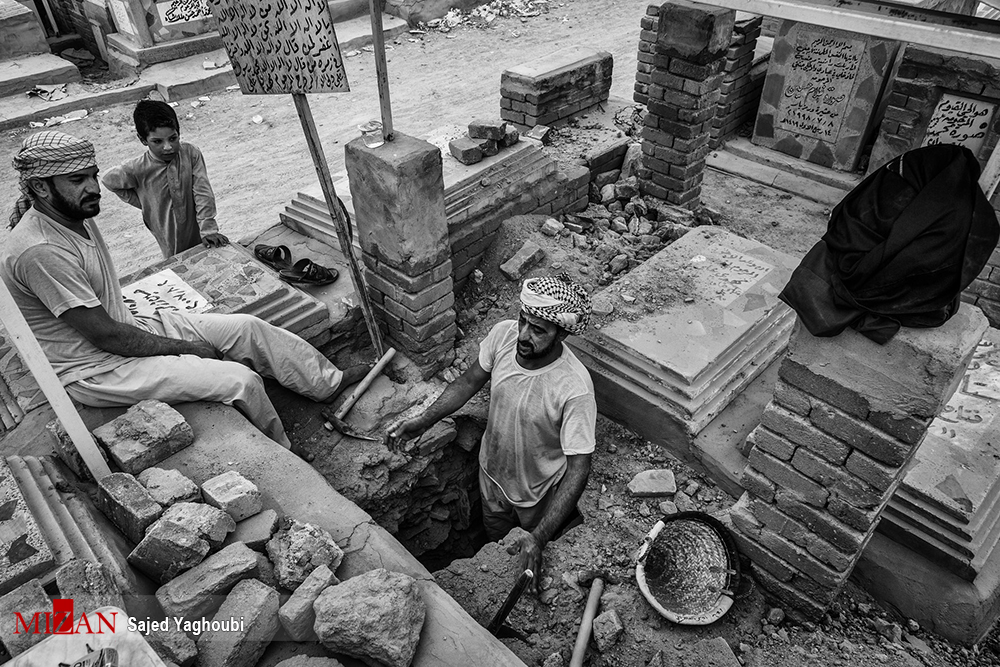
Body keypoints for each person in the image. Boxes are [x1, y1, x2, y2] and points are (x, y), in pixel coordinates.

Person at [3, 130, 367, 449]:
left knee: (246, 327)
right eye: (78, 180)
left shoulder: (72, 214)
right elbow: (107, 337)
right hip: (98, 367)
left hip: (132, 326)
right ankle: (284, 451)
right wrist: (189, 350)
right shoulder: (42, 251)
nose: (94, 188)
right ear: (40, 187)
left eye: (93, 176)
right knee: (241, 381)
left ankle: (327, 384)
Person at [387, 274, 596, 586]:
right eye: (523, 321)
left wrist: (538, 538)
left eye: (538, 330)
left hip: (535, 494)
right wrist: (422, 421)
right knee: (496, 543)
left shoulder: (574, 388)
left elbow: (579, 467)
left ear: (561, 335)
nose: (524, 335)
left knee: (524, 547)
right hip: (490, 476)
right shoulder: (503, 336)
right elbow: (467, 382)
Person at [102, 100, 229, 258]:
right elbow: (108, 180)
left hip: (196, 224)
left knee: (207, 255)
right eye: (157, 141)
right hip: (165, 228)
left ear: (179, 133)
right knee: (176, 261)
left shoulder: (191, 153)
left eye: (173, 138)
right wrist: (145, 203)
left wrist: (208, 229)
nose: (168, 147)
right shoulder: (136, 168)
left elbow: (203, 192)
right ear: (143, 140)